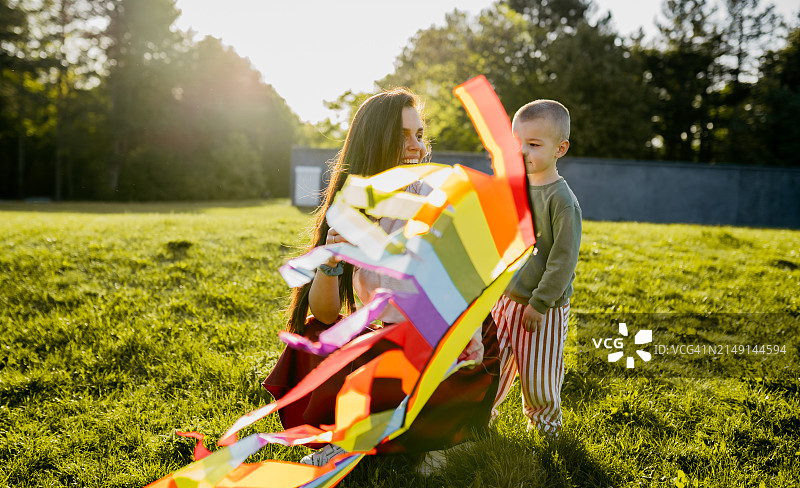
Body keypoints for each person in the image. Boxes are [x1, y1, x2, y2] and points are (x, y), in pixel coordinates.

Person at [263, 87, 500, 469]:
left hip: (454, 347)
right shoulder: (353, 203)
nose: (417, 147)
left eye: (419, 135)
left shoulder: (433, 197)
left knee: (381, 351)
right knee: (313, 337)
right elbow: (324, 314)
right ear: (375, 141)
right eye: (403, 135)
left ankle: (434, 435)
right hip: (396, 342)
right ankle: (366, 436)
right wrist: (331, 259)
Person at [490, 99, 582, 434]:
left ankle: (545, 426)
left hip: (542, 306)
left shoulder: (562, 200)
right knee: (492, 362)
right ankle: (481, 414)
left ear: (560, 148)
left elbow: (563, 259)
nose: (522, 152)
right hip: (506, 298)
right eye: (517, 144)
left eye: (533, 144)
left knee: (538, 371)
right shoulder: (519, 188)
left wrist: (540, 303)